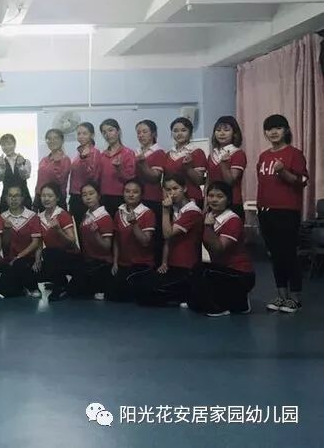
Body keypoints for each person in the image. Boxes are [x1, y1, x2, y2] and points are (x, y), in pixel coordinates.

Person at [256, 114, 308, 313]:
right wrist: (260, 209)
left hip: (286, 211)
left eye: (278, 128)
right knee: (274, 255)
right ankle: (281, 295)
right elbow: (262, 185)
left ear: (286, 130)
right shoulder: (263, 156)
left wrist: (282, 171)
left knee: (288, 254)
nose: (273, 132)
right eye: (269, 129)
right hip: (265, 211)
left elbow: (302, 181)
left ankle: (295, 298)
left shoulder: (294, 154)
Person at [129, 174, 203, 307]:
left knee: (148, 293)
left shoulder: (192, 211)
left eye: (175, 188)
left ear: (184, 188)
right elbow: (168, 241)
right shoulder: (176, 209)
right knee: (138, 284)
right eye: (168, 190)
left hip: (186, 268)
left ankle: (185, 294)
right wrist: (164, 262)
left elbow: (167, 234)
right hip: (172, 266)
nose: (171, 193)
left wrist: (165, 210)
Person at [189, 181, 255, 317]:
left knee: (203, 271)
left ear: (228, 200)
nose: (214, 200)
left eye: (219, 196)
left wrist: (208, 227)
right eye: (211, 196)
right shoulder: (207, 216)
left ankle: (219, 308)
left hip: (240, 274)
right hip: (220, 270)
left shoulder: (233, 220)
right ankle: (238, 302)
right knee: (194, 299)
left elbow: (219, 249)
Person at [109, 179, 155, 302]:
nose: (131, 194)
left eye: (135, 192)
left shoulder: (147, 213)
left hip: (142, 264)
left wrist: (134, 224)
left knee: (140, 297)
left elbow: (145, 242)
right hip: (124, 264)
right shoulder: (119, 212)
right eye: (127, 191)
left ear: (141, 195)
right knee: (112, 295)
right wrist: (115, 263)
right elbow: (116, 240)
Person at [0, 185, 42, 298]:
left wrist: (19, 257)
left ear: (22, 198)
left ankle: (32, 286)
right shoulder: (2, 217)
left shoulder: (32, 216)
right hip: (9, 261)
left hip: (27, 260)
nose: (13, 199)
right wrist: (7, 230)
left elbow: (36, 243)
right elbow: (4, 245)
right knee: (4, 290)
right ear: (6, 199)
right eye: (10, 196)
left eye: (17, 196)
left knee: (20, 265)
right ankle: (22, 289)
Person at [70, 182, 114, 300]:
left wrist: (96, 234)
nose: (88, 197)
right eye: (84, 195)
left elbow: (107, 246)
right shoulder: (86, 215)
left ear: (98, 195)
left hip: (101, 263)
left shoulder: (105, 217)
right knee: (73, 291)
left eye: (91, 193)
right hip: (88, 261)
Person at [37, 183, 80, 302]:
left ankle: (60, 286)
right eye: (43, 195)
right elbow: (39, 242)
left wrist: (59, 230)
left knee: (49, 253)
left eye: (50, 196)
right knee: (44, 257)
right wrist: (37, 260)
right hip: (52, 257)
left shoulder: (63, 215)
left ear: (57, 198)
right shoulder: (39, 217)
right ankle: (58, 281)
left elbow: (72, 241)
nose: (46, 199)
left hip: (69, 255)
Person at [134, 120, 166, 265]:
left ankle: (157, 266)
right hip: (138, 199)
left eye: (144, 132)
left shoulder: (158, 152)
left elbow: (155, 177)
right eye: (138, 132)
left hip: (153, 199)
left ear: (153, 134)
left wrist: (142, 163)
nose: (141, 135)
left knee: (154, 237)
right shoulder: (137, 152)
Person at [206, 116, 247, 219]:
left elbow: (230, 181)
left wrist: (224, 165)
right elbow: (208, 182)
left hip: (232, 203)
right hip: (213, 203)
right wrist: (205, 204)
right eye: (218, 130)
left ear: (234, 133)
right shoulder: (212, 155)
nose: (222, 133)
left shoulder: (238, 153)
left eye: (226, 130)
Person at [164, 117, 207, 209]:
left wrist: (188, 168)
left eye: (183, 130)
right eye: (175, 131)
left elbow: (199, 181)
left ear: (190, 133)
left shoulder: (197, 152)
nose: (179, 133)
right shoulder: (168, 154)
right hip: (172, 198)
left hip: (192, 198)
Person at [98, 119, 136, 217]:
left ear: (118, 131)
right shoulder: (102, 155)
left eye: (111, 130)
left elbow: (130, 179)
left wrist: (119, 169)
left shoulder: (128, 153)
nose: (107, 134)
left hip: (122, 197)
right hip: (103, 197)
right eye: (104, 132)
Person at [68, 122, 101, 225]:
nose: (81, 136)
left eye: (84, 133)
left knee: (85, 227)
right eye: (79, 134)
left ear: (92, 135)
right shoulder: (79, 152)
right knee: (76, 226)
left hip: (85, 196)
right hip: (75, 195)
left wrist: (84, 159)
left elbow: (92, 175)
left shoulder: (94, 152)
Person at [0, 133, 32, 213]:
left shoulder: (25, 161)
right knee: (5, 219)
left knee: (27, 218)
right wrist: (2, 167)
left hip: (23, 196)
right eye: (3, 145)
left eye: (9, 144)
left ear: (14, 144)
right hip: (7, 197)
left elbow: (26, 176)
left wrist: (20, 165)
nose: (6, 147)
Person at [35, 128, 70, 210]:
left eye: (55, 138)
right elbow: (39, 181)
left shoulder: (65, 159)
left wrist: (57, 163)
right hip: (41, 197)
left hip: (56, 199)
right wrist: (37, 197)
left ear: (62, 140)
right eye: (49, 139)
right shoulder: (44, 160)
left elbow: (59, 180)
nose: (52, 141)